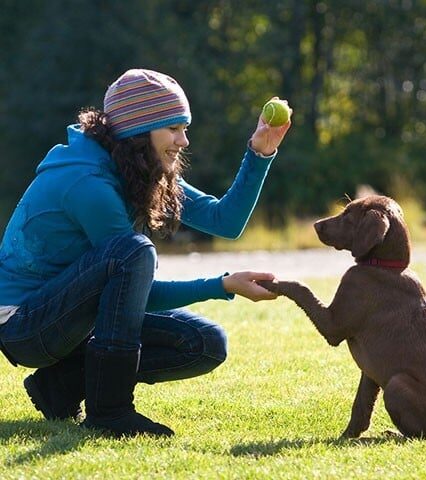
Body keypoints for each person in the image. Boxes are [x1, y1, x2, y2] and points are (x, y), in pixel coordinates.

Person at [0, 69, 291, 437]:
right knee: (132, 251)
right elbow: (137, 290)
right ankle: (110, 412)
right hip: (24, 325)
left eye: (184, 128)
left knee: (204, 343)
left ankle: (61, 384)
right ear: (139, 130)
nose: (183, 141)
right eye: (173, 128)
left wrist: (260, 151)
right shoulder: (89, 183)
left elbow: (225, 221)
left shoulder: (138, 166)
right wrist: (222, 285)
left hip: (70, 319)